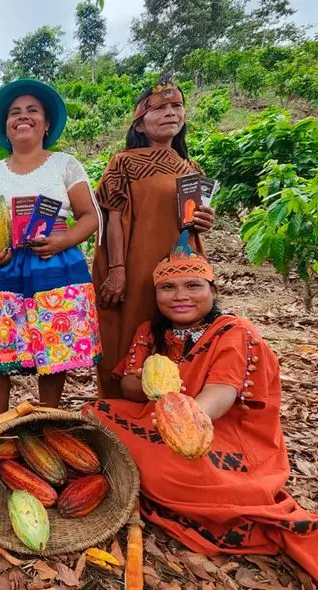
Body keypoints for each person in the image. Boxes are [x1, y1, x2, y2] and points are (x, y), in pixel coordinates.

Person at [83, 232, 318, 590]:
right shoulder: (148, 332)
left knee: (179, 472)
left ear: (212, 290)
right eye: (167, 288)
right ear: (156, 295)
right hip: (156, 419)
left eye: (192, 286)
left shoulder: (232, 331)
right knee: (96, 413)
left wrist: (186, 422)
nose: (180, 296)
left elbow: (222, 392)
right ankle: (147, 473)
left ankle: (175, 485)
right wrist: (142, 382)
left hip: (221, 431)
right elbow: (129, 390)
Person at [0, 79, 102, 416]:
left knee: (54, 345)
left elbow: (89, 216)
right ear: (5, 127)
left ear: (46, 123)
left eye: (32, 111)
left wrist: (63, 240)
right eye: (14, 113)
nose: (23, 117)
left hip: (55, 262)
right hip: (3, 267)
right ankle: (0, 424)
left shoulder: (65, 164)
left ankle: (47, 418)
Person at [92, 80, 216, 399]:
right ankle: (118, 414)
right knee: (127, 332)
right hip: (135, 264)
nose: (170, 113)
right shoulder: (124, 162)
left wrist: (205, 220)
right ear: (140, 122)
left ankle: (175, 407)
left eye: (176, 106)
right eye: (159, 108)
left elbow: (192, 224)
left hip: (180, 266)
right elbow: (112, 216)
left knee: (180, 334)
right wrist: (117, 270)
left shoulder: (191, 167)